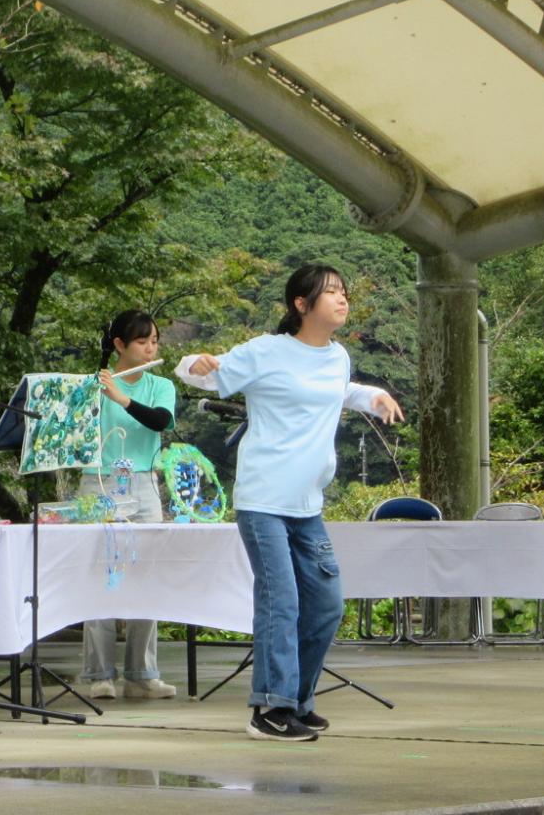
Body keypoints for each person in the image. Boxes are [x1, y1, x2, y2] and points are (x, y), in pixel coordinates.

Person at [178, 265, 403, 743]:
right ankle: (269, 708)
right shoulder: (267, 351)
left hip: (307, 504)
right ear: (301, 305)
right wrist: (192, 362)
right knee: (281, 601)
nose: (342, 300)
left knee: (326, 604)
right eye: (331, 293)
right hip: (264, 500)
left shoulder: (337, 356)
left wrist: (373, 395)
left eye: (344, 292)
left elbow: (336, 391)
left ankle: (297, 701)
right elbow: (208, 374)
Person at [79, 310, 178, 699]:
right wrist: (97, 394)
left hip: (143, 483)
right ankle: (97, 674)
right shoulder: (92, 385)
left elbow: (161, 422)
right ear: (119, 345)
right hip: (98, 481)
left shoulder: (160, 386)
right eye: (142, 341)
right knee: (99, 577)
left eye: (154, 340)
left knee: (146, 577)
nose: (151, 347)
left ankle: (142, 673)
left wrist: (122, 398)